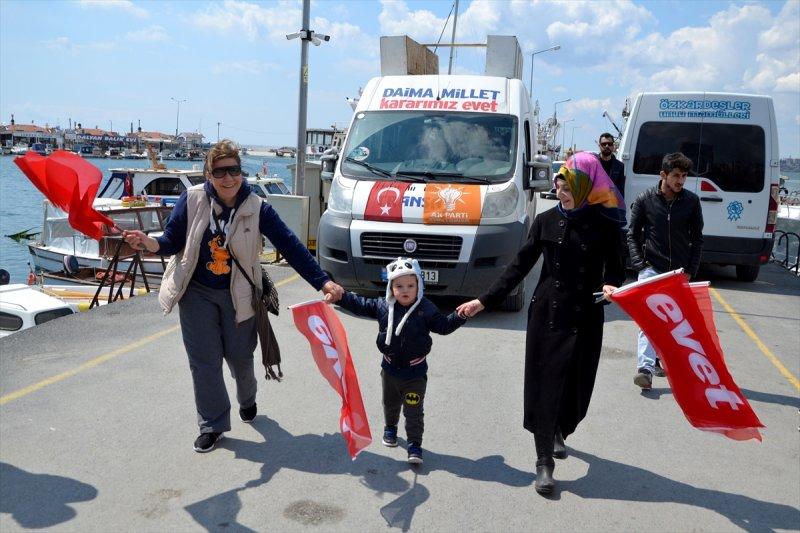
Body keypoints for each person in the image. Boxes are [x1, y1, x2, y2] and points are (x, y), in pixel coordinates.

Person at [123, 140, 344, 453]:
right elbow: (172, 242)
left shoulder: (258, 208)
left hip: (240, 294)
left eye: (234, 170)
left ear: (242, 172)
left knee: (241, 360)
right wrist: (148, 242)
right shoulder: (193, 199)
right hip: (197, 293)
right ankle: (212, 425)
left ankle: (248, 398)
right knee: (204, 362)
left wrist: (322, 282)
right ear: (209, 175)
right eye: (220, 171)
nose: (228, 178)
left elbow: (291, 246)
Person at [457, 151, 625, 495]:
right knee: (545, 385)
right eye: (559, 189)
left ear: (586, 188)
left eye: (568, 190)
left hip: (587, 315)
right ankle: (543, 461)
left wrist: (613, 285)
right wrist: (483, 300)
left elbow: (617, 269)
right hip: (548, 314)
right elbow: (518, 267)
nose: (562, 196)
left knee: (578, 388)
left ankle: (563, 426)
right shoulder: (546, 222)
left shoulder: (606, 227)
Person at [335, 257, 465, 465]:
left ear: (419, 286)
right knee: (390, 403)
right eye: (399, 286)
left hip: (415, 373)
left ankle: (415, 444)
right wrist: (340, 297)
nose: (405, 290)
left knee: (414, 410)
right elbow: (359, 304)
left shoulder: (426, 308)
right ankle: (391, 427)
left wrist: (460, 316)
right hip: (389, 370)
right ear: (391, 287)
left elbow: (443, 326)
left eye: (411, 285)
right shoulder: (382, 306)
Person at [627, 152, 703, 390]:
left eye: (684, 176)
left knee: (675, 323)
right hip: (652, 270)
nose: (681, 181)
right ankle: (645, 370)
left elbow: (698, 239)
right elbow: (632, 235)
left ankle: (661, 360)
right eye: (676, 176)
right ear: (663, 175)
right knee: (649, 320)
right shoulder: (645, 200)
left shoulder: (691, 202)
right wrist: (641, 265)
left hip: (679, 272)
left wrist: (690, 270)